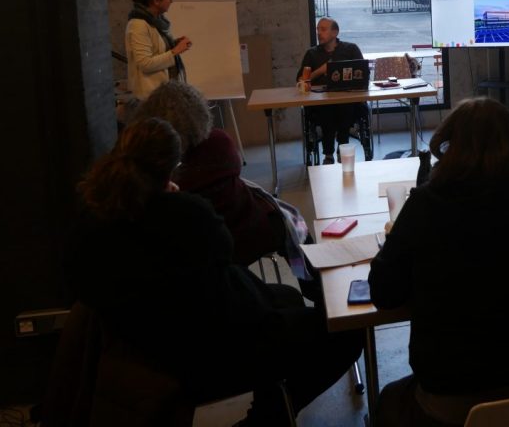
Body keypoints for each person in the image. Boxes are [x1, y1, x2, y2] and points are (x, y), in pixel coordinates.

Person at [66, 118, 363, 424]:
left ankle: (273, 400)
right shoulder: (185, 215)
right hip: (218, 351)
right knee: (349, 331)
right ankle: (269, 415)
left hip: (151, 347)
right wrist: (174, 199)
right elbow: (224, 249)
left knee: (287, 295)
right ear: (171, 169)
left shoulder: (92, 221)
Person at [368, 98, 509, 426]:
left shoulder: (426, 204)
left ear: (449, 148)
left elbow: (384, 293)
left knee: (387, 401)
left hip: (454, 396)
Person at [132, 81, 311, 272]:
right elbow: (235, 167)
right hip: (242, 230)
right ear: (198, 112)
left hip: (195, 251)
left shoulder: (154, 164)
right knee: (294, 227)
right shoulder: (217, 143)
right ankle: (310, 282)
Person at [298, 16, 364, 164]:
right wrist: (320, 71)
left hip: (347, 100)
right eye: (317, 29)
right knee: (326, 109)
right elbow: (301, 80)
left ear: (335, 33)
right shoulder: (312, 54)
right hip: (321, 102)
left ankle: (342, 148)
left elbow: (363, 74)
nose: (318, 33)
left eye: (323, 29)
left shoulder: (351, 49)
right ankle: (328, 153)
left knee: (345, 107)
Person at [125, 0, 192, 99]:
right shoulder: (138, 25)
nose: (171, 1)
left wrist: (174, 43)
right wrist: (175, 51)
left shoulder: (157, 22)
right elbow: (145, 64)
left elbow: (158, 49)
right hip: (150, 97)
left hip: (162, 93)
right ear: (156, 1)